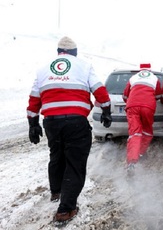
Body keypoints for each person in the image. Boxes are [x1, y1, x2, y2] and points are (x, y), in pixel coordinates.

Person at [26, 36, 112, 224]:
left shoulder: (43, 69)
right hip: (76, 121)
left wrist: (33, 123)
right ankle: (66, 209)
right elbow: (99, 90)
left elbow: (34, 98)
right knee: (75, 163)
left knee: (56, 156)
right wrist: (106, 110)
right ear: (74, 53)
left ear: (59, 53)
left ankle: (56, 191)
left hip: (51, 122)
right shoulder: (84, 66)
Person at [122, 63, 161, 171]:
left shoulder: (134, 77)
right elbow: (158, 95)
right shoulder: (154, 78)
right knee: (147, 130)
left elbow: (125, 95)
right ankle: (141, 153)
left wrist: (130, 101)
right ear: (150, 70)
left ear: (140, 70)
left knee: (135, 132)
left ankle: (131, 162)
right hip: (148, 106)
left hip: (132, 106)